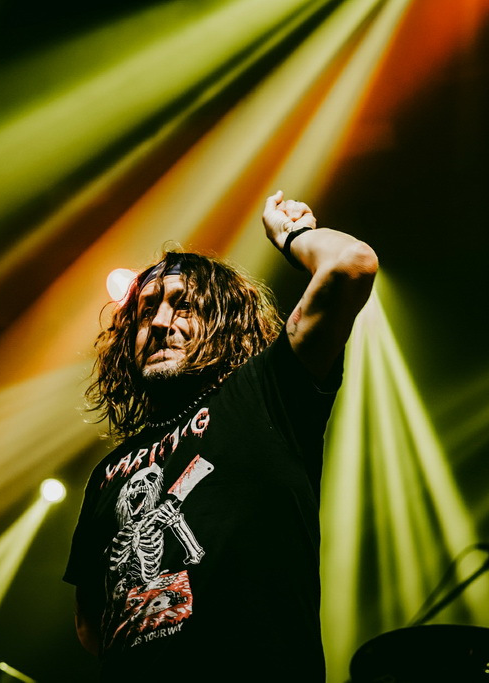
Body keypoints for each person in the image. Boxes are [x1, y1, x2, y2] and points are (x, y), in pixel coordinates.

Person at [64, 192, 377, 681]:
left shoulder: (269, 390)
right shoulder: (109, 471)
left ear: (223, 320)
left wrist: (293, 235)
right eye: (146, 312)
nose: (160, 323)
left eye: (184, 306)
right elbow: (91, 625)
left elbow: (351, 265)